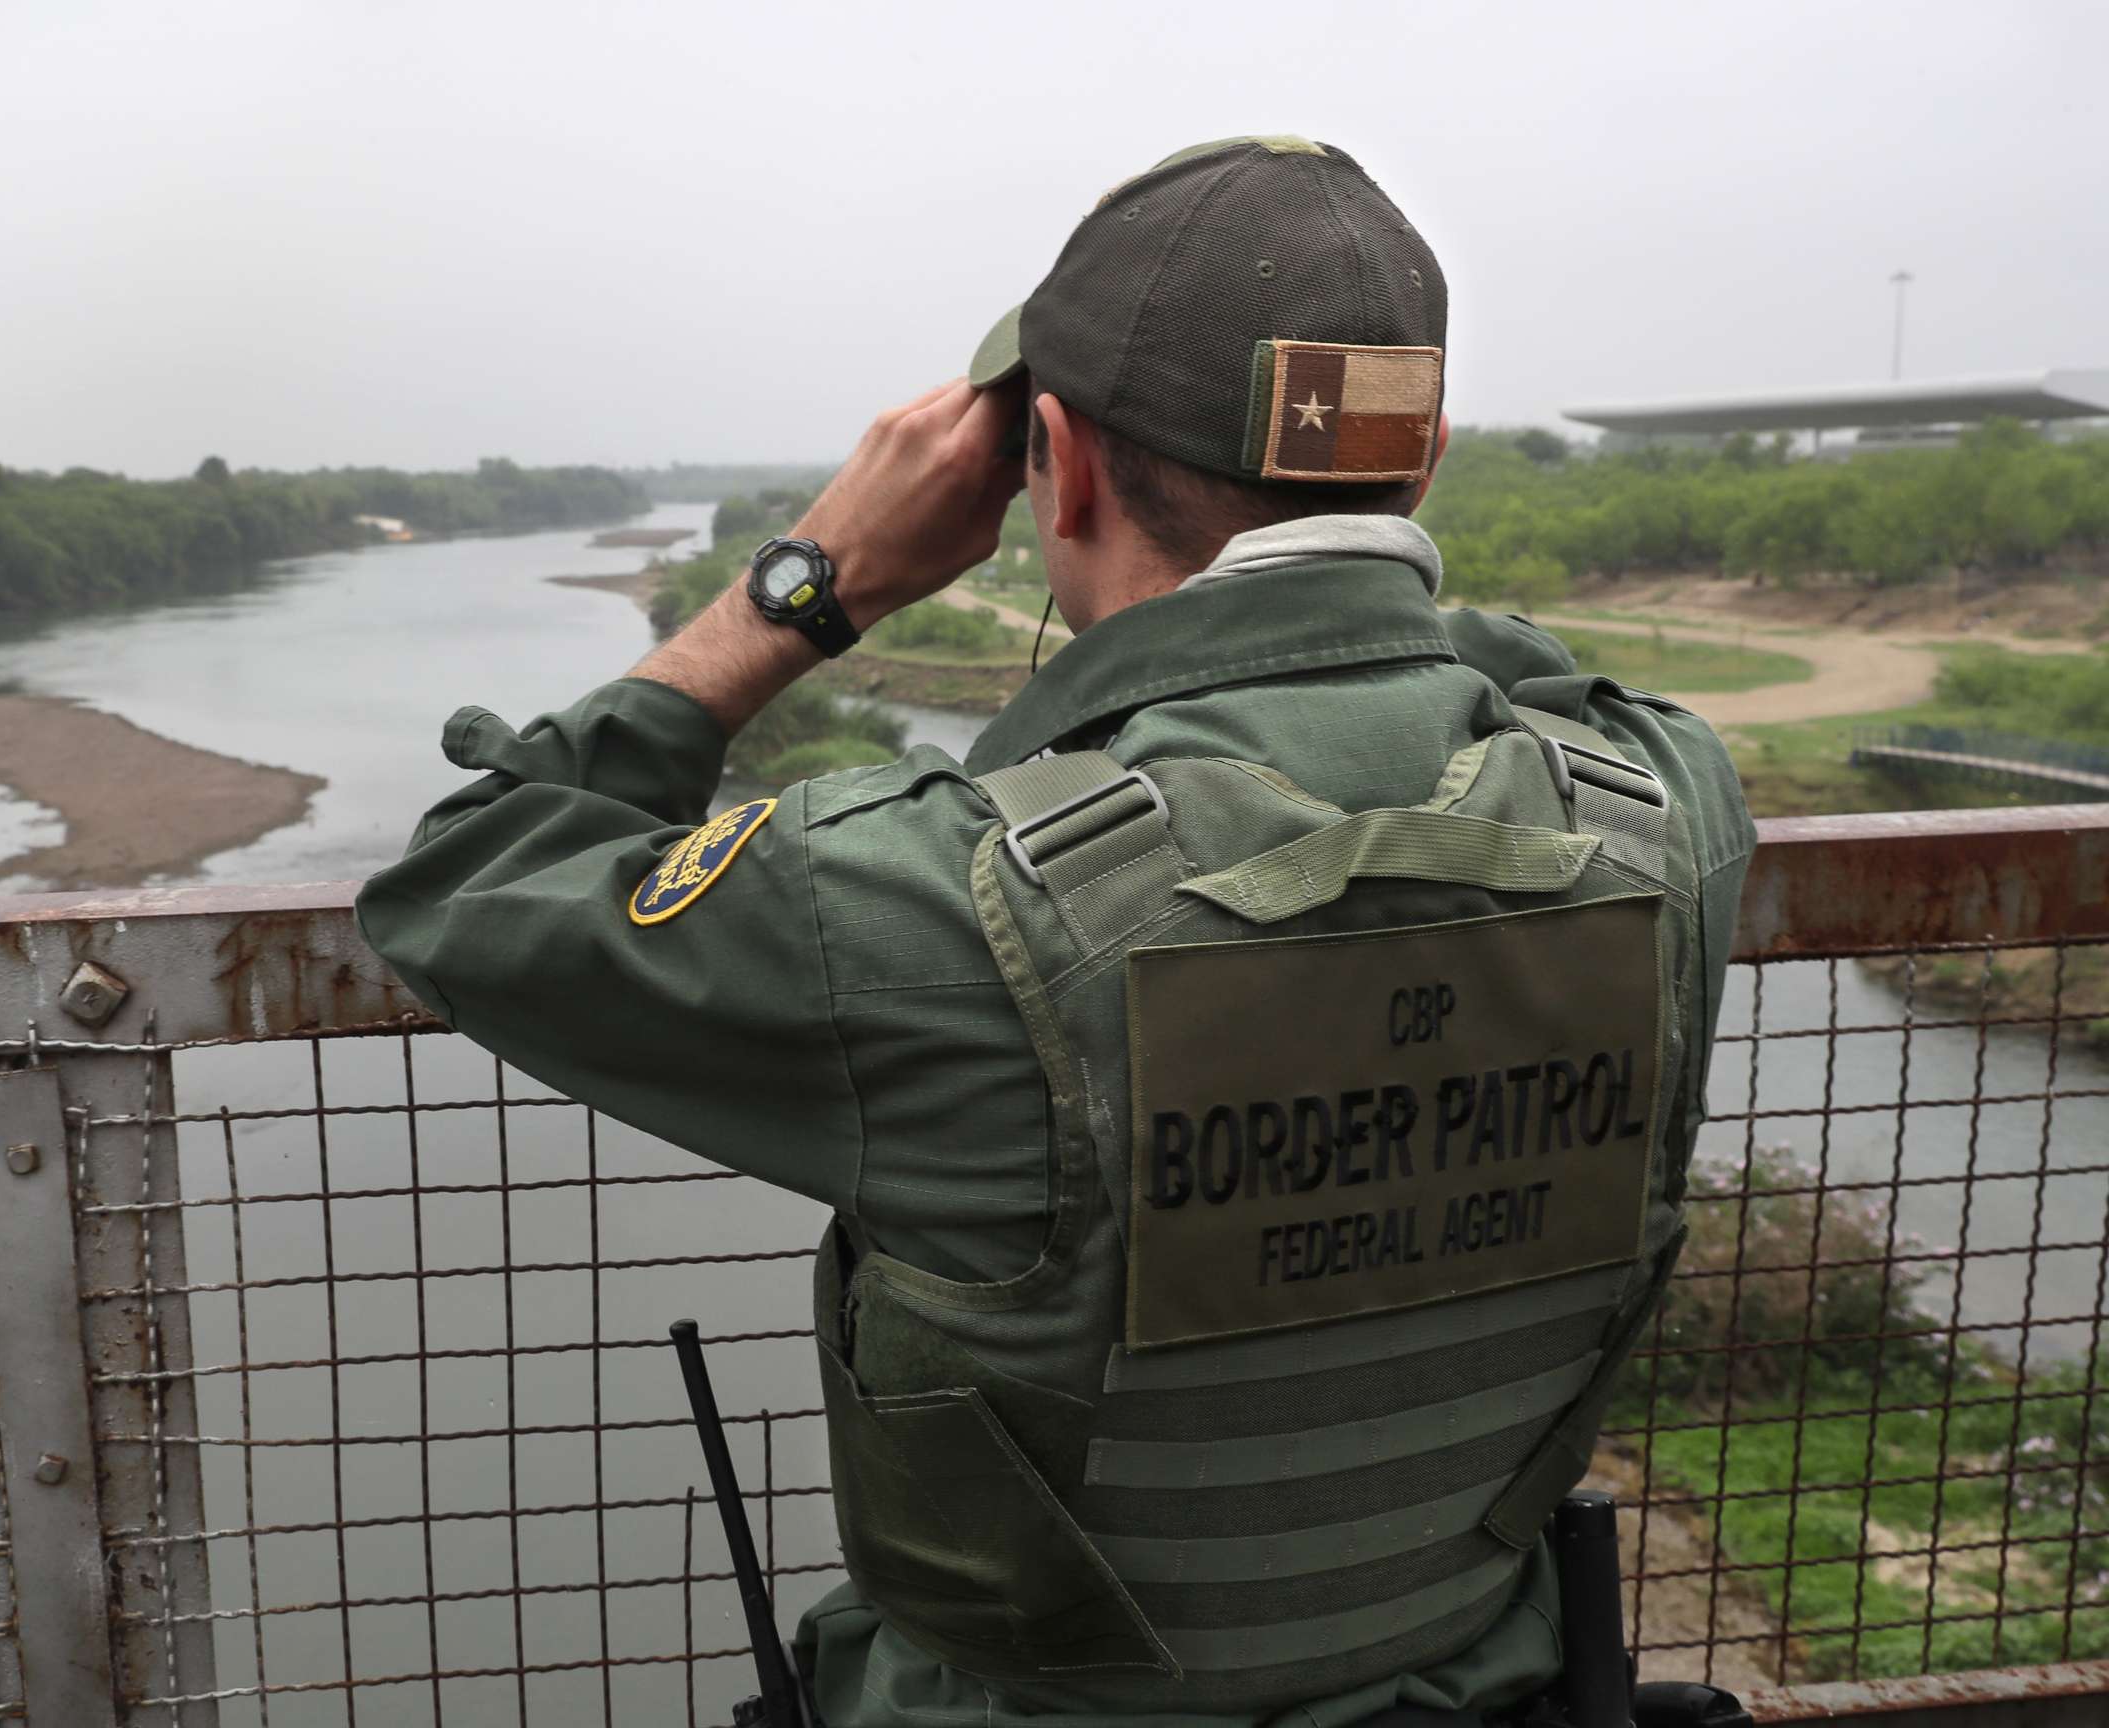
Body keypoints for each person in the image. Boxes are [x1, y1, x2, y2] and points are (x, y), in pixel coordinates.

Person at [358, 135, 1753, 1727]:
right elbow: (1544, 680)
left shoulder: (927, 897)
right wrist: (1365, 608)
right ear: (1420, 460)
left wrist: (807, 586)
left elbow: (467, 883)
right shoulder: (1667, 814)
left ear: (1058, 465)